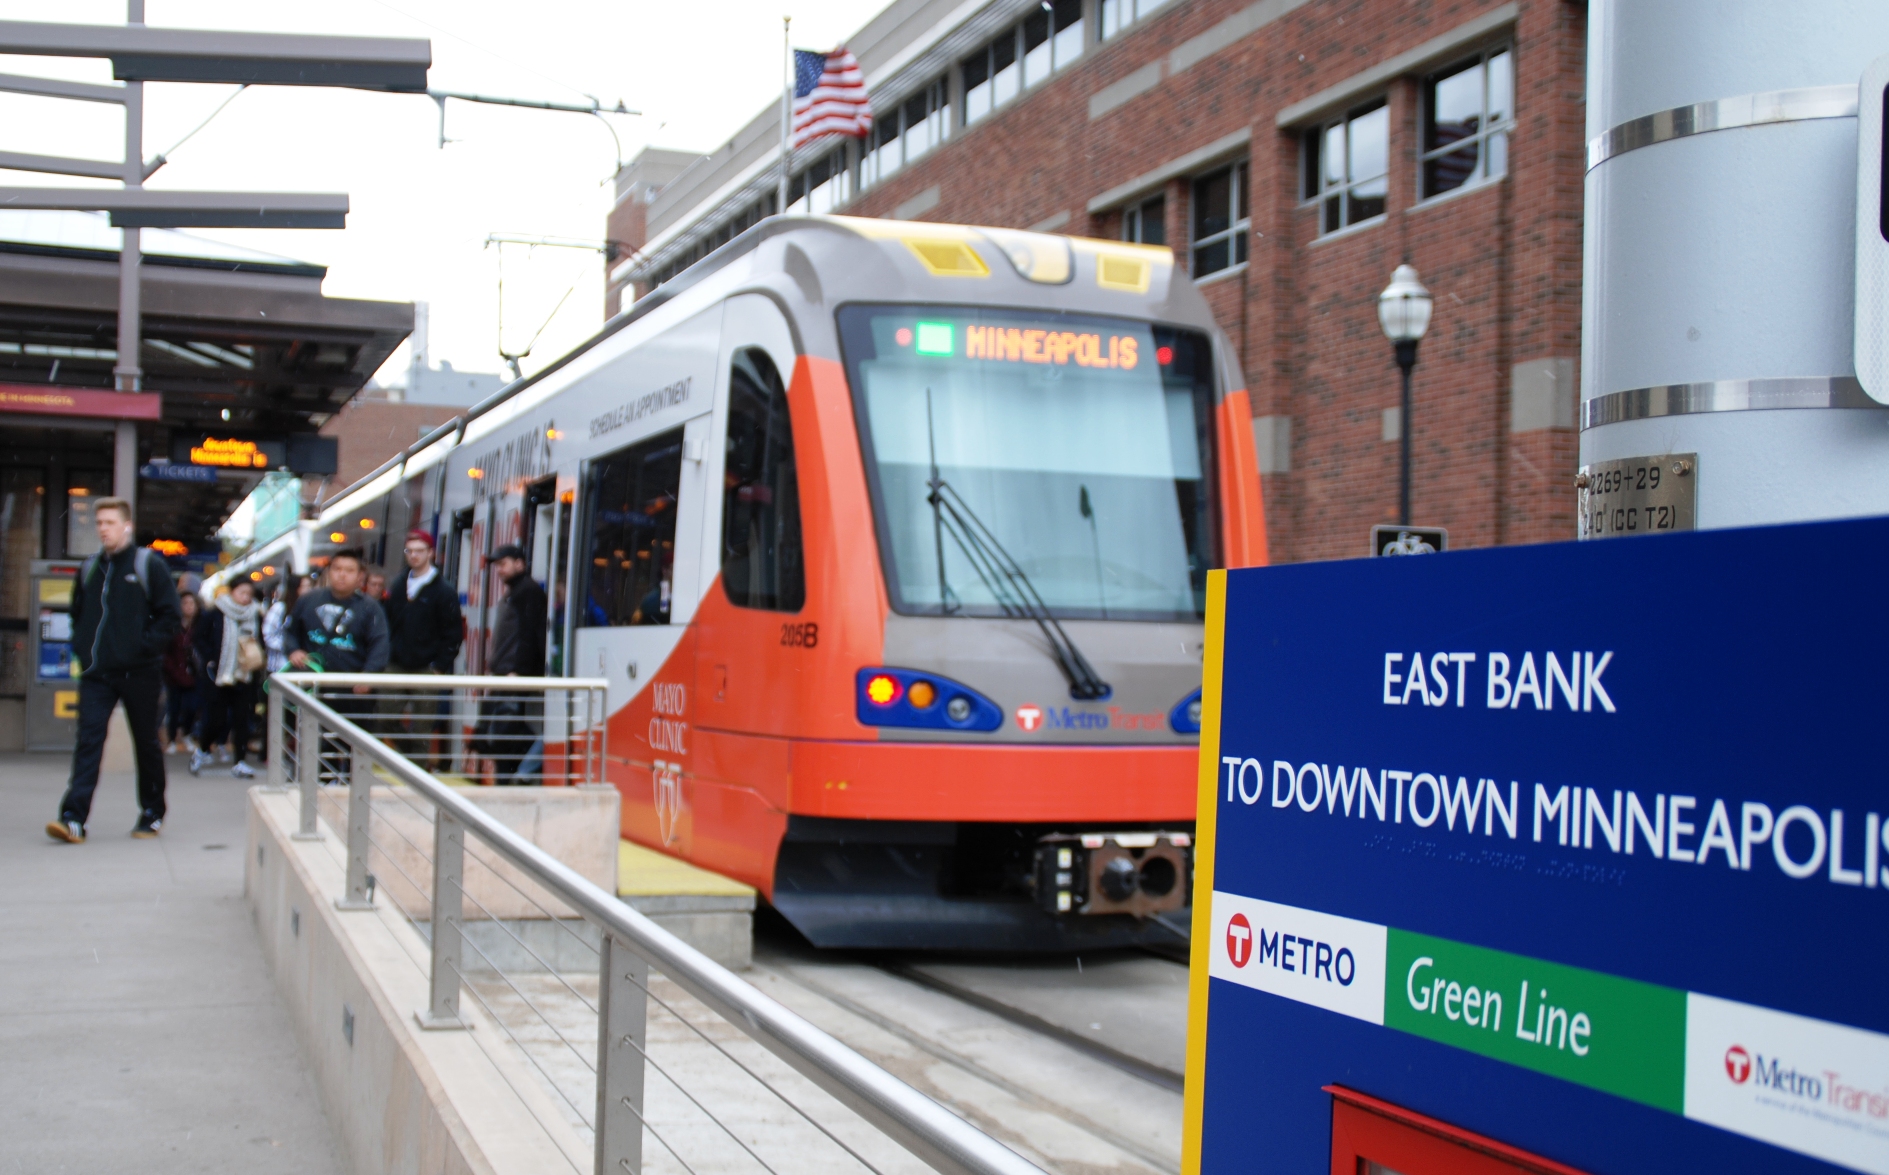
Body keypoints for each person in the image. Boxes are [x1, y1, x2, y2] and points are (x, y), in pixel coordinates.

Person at [47, 497, 182, 843]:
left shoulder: (147, 564)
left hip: (140, 672)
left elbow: (170, 616)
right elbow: (78, 613)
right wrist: (81, 647)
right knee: (88, 741)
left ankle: (152, 812)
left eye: (110, 522)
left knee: (146, 742)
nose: (103, 529)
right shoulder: (90, 567)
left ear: (127, 525)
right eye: (99, 523)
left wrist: (142, 648)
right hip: (97, 673)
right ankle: (73, 818)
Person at [283, 549, 389, 780]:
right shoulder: (308, 601)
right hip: (314, 691)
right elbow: (290, 633)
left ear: (360, 577)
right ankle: (315, 789)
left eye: (349, 570)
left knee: (354, 749)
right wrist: (294, 650)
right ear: (329, 572)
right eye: (337, 569)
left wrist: (368, 676)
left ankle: (352, 792)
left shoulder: (371, 609)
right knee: (316, 746)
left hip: (353, 695)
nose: (342, 575)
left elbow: (380, 646)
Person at [382, 530, 462, 772]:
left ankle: (416, 773)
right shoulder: (397, 585)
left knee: (423, 726)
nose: (414, 556)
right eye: (410, 551)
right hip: (396, 663)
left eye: (419, 551)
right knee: (383, 718)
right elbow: (388, 622)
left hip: (427, 667)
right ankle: (414, 756)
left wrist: (440, 666)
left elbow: (453, 631)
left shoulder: (444, 591)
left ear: (431, 553)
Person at [482, 544, 545, 782]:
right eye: (497, 565)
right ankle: (514, 777)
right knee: (504, 730)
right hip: (507, 673)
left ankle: (514, 778)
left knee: (506, 732)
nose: (499, 570)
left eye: (503, 564)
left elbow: (528, 634)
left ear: (519, 563)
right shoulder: (518, 591)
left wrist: (519, 670)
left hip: (512, 675)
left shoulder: (526, 592)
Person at [191, 579, 262, 778]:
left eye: (249, 593)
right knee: (216, 719)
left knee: (242, 719)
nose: (246, 597)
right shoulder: (215, 613)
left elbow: (262, 640)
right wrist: (211, 658)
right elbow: (198, 637)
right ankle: (203, 749)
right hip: (219, 675)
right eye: (242, 592)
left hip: (245, 674)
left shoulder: (256, 614)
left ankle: (239, 761)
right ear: (232, 592)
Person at [161, 591, 203, 754]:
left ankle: (187, 733)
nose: (188, 607)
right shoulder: (172, 626)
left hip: (195, 673)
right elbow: (166, 652)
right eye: (185, 603)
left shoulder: (200, 626)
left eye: (191, 603)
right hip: (174, 675)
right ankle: (171, 738)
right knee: (174, 707)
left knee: (193, 707)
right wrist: (172, 670)